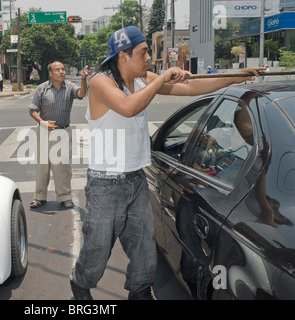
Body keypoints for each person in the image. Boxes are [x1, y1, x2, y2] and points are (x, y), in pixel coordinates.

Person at [69, 25, 265, 300]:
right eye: (144, 52)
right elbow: (128, 108)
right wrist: (161, 80)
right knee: (97, 251)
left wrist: (234, 77)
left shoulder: (142, 79)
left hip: (135, 179)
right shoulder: (102, 82)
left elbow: (189, 87)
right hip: (105, 184)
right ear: (123, 56)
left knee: (144, 248)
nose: (149, 57)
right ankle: (80, 286)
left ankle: (139, 292)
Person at [28, 61, 91, 210]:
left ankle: (65, 197)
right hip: (44, 131)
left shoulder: (69, 87)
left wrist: (83, 80)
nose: (61, 72)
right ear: (50, 73)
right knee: (42, 165)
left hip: (63, 131)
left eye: (63, 69)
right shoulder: (41, 89)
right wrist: (42, 122)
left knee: (63, 166)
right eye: (57, 70)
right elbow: (32, 110)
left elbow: (81, 94)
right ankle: (40, 197)